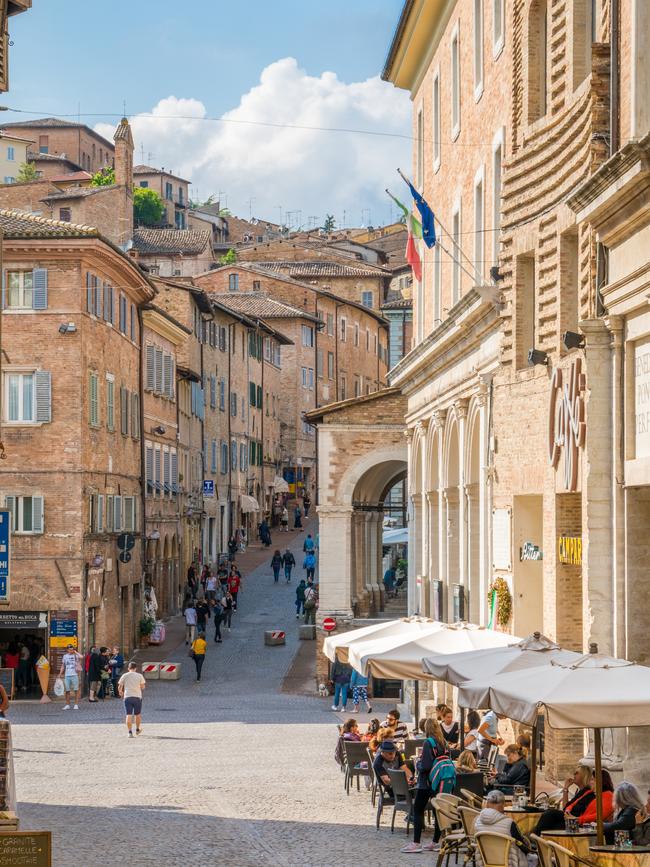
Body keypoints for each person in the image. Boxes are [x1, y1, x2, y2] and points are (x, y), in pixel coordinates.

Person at [401, 717, 451, 854]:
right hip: (439, 782)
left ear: (426, 729)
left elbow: (426, 766)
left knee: (417, 810)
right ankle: (435, 842)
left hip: (426, 783)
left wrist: (418, 764)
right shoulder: (444, 743)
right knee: (437, 812)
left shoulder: (428, 743)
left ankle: (416, 843)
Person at [533, 764, 595, 835]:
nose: (574, 774)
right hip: (568, 820)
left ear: (584, 776)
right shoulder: (580, 792)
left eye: (577, 773)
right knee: (550, 819)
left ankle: (534, 838)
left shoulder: (588, 794)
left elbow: (572, 812)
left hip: (574, 823)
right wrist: (566, 788)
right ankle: (535, 838)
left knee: (550, 814)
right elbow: (565, 807)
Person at [474, 789, 530, 867]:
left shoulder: (477, 821)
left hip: (484, 862)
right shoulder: (509, 823)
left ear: (487, 804)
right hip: (509, 862)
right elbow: (522, 845)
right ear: (503, 804)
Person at [118, 661, 146, 738]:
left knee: (128, 715)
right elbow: (143, 687)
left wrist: (121, 692)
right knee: (138, 715)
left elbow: (120, 686)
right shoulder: (139, 676)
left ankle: (130, 732)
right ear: (135, 668)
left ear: (128, 668)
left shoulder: (125, 675)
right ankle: (137, 729)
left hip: (127, 697)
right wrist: (138, 687)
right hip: (137, 697)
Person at [58, 643, 82, 710]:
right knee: (67, 690)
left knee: (76, 690)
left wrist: (75, 652)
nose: (71, 651)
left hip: (74, 675)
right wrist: (60, 674)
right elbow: (63, 665)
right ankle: (67, 704)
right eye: (70, 649)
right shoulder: (65, 656)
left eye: (72, 649)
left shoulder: (76, 655)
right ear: (67, 650)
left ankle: (76, 704)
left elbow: (81, 657)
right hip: (67, 675)